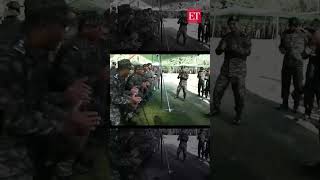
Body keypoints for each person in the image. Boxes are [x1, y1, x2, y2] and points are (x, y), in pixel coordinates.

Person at [0, 0, 102, 179]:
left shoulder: (36, 53)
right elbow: (12, 118)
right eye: (63, 26)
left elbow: (34, 98)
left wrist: (66, 97)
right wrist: (64, 123)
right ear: (43, 24)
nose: (65, 35)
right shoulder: (8, 59)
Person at [209, 16, 252, 125]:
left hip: (238, 70)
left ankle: (238, 115)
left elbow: (247, 52)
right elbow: (218, 51)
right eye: (230, 24)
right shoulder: (226, 37)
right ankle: (216, 108)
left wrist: (235, 49)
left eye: (234, 24)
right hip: (226, 69)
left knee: (239, 94)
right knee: (217, 90)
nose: (232, 26)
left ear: (238, 24)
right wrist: (220, 49)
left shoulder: (245, 36)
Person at [278, 17, 309, 112]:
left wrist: (304, 55)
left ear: (297, 26)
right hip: (287, 62)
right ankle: (284, 103)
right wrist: (281, 49)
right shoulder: (285, 33)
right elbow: (281, 46)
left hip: (298, 64)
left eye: (293, 26)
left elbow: (309, 47)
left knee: (298, 85)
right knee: (285, 84)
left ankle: (296, 105)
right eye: (290, 25)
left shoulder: (304, 35)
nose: (291, 27)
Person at [110, 59, 142, 125]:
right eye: (129, 70)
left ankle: (127, 120)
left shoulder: (122, 77)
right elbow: (114, 99)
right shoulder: (112, 79)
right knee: (117, 122)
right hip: (111, 105)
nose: (130, 72)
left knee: (131, 104)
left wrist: (131, 92)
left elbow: (121, 92)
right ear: (124, 69)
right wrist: (130, 100)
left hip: (117, 100)